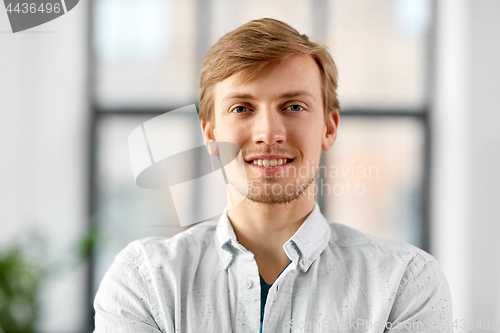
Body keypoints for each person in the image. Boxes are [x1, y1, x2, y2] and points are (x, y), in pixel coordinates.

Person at [94, 18, 453, 332]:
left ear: (329, 128)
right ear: (209, 135)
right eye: (242, 108)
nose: (268, 132)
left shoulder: (405, 282)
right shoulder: (146, 280)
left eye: (294, 106)